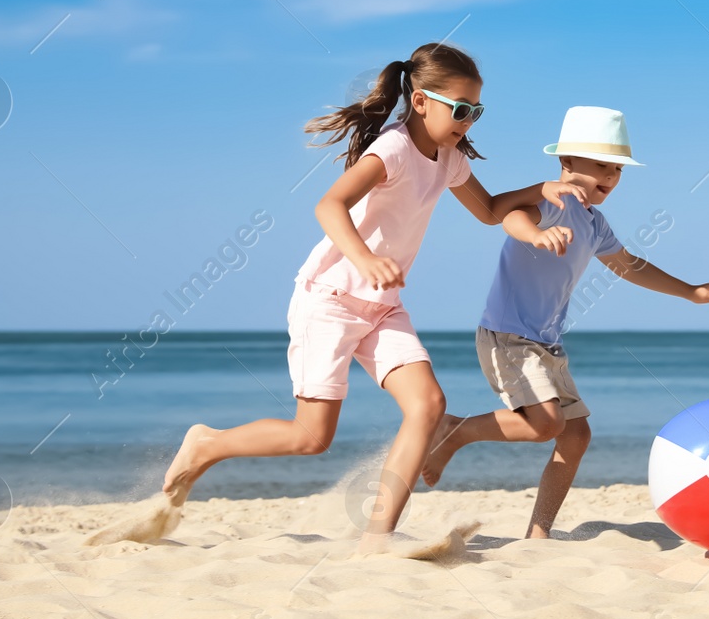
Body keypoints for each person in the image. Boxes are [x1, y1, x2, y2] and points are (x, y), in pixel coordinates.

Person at [158, 43, 584, 546]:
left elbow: (490, 210)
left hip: (382, 308)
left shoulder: (448, 158)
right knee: (311, 437)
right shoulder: (393, 149)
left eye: (477, 111)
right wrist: (365, 259)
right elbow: (329, 205)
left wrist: (541, 188)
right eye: (461, 109)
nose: (469, 121)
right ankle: (207, 443)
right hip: (330, 300)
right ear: (421, 101)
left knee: (427, 406)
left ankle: (378, 536)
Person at [423, 106, 709, 538]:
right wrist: (535, 235)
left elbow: (628, 265)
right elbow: (512, 215)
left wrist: (691, 291)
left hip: (545, 344)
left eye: (618, 169)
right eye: (602, 166)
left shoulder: (594, 221)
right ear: (567, 162)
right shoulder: (555, 200)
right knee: (545, 424)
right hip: (508, 336)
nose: (611, 176)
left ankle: (538, 532)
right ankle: (454, 430)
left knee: (576, 435)